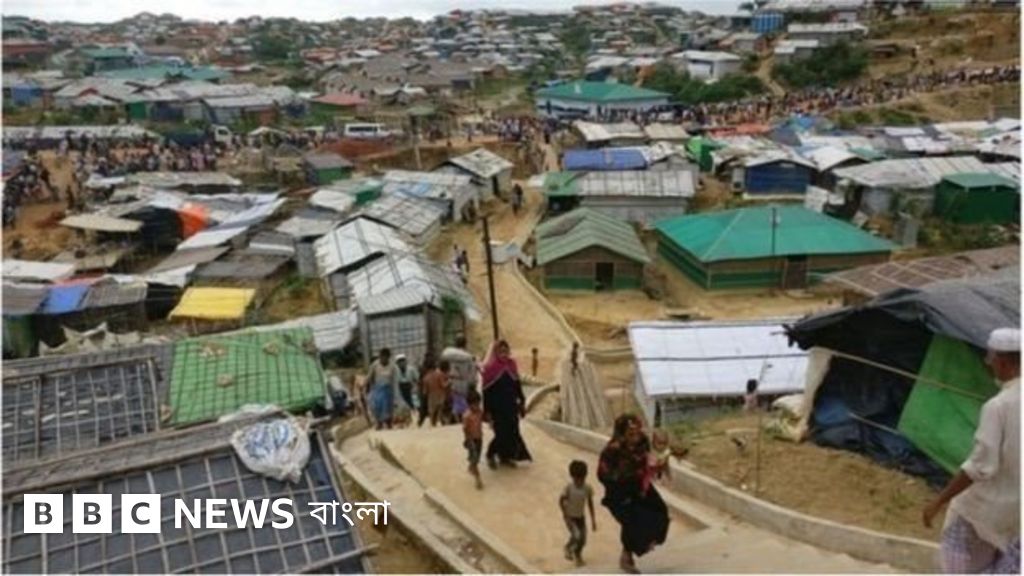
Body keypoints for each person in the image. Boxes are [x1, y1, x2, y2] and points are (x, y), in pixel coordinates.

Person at [923, 328, 1020, 574]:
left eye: (990, 358)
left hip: (981, 512)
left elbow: (981, 466)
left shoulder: (998, 406)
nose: (988, 363)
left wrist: (939, 500)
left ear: (1003, 362)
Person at [599, 414, 669, 574]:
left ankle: (646, 542)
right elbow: (603, 475)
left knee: (660, 511)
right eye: (630, 434)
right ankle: (627, 557)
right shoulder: (612, 451)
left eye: (637, 432)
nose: (635, 437)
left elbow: (647, 459)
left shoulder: (642, 441)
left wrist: (655, 466)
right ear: (621, 433)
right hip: (619, 494)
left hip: (640, 488)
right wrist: (627, 475)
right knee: (632, 522)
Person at [480, 340, 532, 468]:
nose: (504, 354)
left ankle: (505, 457)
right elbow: (486, 391)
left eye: (506, 351)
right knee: (501, 433)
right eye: (501, 351)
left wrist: (522, 401)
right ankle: (490, 454)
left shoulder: (512, 365)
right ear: (496, 352)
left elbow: (517, 385)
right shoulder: (490, 369)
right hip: (497, 407)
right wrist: (487, 411)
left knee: (513, 431)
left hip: (511, 405)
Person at [560, 460, 597, 567]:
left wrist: (593, 520)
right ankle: (568, 548)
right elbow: (561, 500)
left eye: (582, 479)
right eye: (577, 479)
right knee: (576, 535)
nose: (579, 482)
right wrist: (565, 514)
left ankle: (578, 554)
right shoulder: (569, 488)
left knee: (583, 539)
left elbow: (590, 503)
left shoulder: (587, 488)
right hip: (570, 517)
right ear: (573, 477)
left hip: (581, 517)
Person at [442, 336, 478, 423]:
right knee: (466, 404)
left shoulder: (450, 356)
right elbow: (472, 372)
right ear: (465, 344)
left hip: (454, 384)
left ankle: (456, 420)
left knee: (456, 403)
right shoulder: (469, 357)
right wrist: (473, 383)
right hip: (466, 384)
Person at [365, 348, 400, 430]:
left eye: (385, 357)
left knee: (388, 407)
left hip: (388, 390)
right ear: (380, 357)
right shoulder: (375, 365)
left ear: (388, 357)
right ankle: (379, 423)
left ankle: (389, 424)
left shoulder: (393, 366)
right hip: (377, 389)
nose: (383, 359)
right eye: (381, 357)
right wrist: (365, 384)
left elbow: (395, 381)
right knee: (376, 407)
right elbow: (369, 376)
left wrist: (396, 395)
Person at [463, 389, 485, 489]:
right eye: (475, 404)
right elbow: (465, 429)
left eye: (478, 404)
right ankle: (478, 479)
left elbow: (484, 419)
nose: (477, 406)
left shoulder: (480, 412)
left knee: (477, 457)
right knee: (475, 458)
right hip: (471, 439)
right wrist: (467, 440)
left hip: (479, 438)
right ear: (469, 405)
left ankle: (471, 466)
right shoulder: (467, 416)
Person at [423, 360, 452, 427]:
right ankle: (438, 421)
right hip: (440, 395)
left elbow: (425, 392)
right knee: (439, 409)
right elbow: (443, 385)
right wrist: (449, 382)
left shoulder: (425, 378)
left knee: (431, 412)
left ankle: (431, 424)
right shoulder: (439, 374)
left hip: (431, 396)